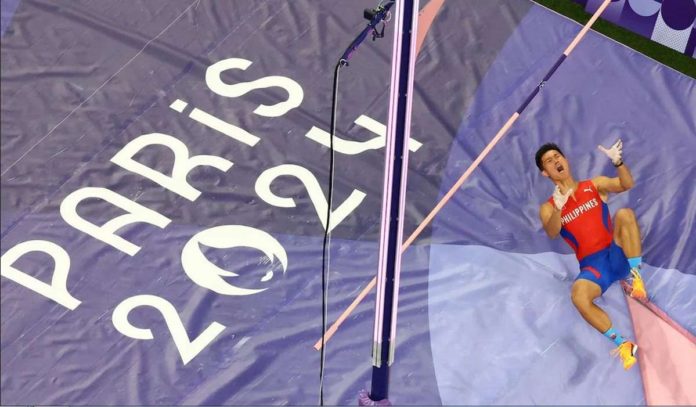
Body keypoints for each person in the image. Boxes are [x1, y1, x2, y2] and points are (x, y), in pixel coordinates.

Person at [535, 139, 647, 370]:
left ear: (565, 160)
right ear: (545, 173)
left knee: (625, 214)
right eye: (548, 161)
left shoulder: (593, 185)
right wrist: (558, 207)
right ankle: (623, 343)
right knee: (578, 296)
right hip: (593, 268)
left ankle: (636, 278)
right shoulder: (548, 207)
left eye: (557, 156)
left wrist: (619, 162)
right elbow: (552, 231)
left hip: (615, 253)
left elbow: (626, 184)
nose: (555, 161)